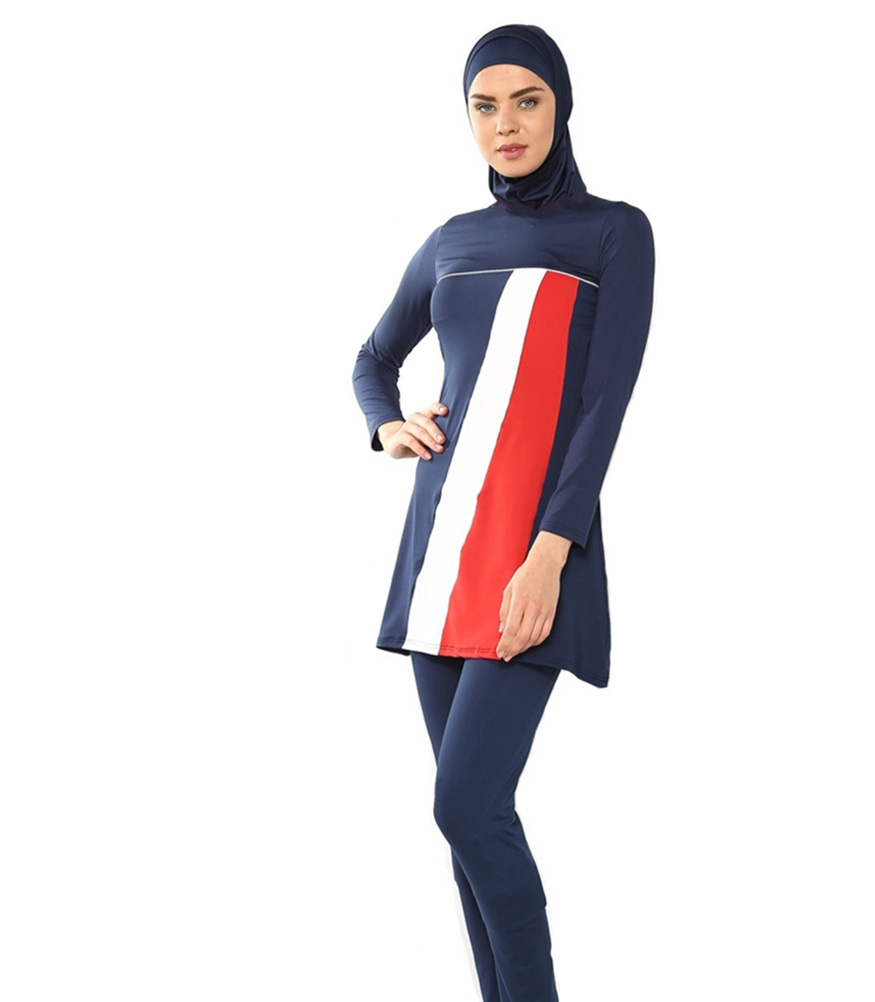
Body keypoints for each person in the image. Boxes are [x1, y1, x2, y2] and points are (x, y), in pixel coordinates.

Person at [352, 24, 654, 1002]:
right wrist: (387, 424)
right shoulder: (451, 241)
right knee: (466, 825)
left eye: (527, 100)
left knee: (468, 805)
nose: (506, 124)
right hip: (440, 555)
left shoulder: (615, 232)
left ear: (561, 106)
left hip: (535, 557)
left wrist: (550, 555)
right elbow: (373, 360)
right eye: (484, 105)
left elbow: (604, 407)